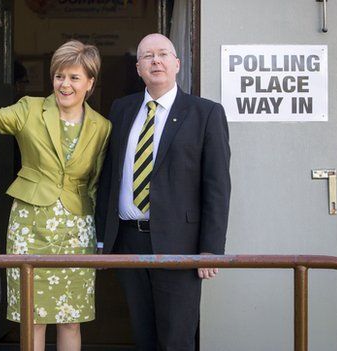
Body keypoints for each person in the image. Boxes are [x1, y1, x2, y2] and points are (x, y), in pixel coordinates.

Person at [0, 36, 111, 351]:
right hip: (30, 227)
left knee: (71, 317)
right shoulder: (30, 108)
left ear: (90, 83)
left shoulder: (102, 126)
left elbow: (96, 183)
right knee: (34, 316)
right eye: (59, 76)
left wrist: (101, 240)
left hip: (77, 230)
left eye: (74, 77)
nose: (64, 84)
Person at [95, 33, 231, 351]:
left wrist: (210, 249)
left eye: (163, 54)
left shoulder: (205, 113)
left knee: (176, 339)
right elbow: (109, 177)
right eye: (147, 56)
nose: (156, 61)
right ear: (138, 68)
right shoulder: (121, 109)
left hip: (180, 245)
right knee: (143, 336)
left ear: (177, 64)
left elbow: (217, 187)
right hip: (129, 240)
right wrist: (102, 238)